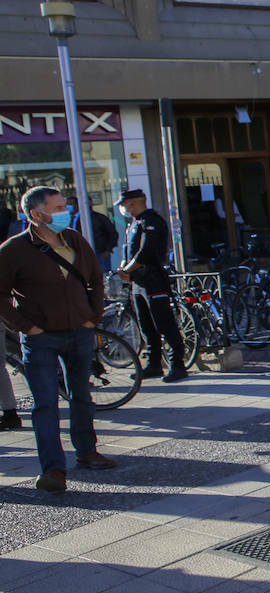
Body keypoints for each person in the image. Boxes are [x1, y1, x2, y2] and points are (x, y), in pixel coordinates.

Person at [0, 186, 113, 494]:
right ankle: (53, 469)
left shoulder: (74, 239)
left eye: (65, 205)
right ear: (37, 214)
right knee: (46, 404)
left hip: (79, 331)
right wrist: (26, 326)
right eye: (59, 207)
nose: (66, 211)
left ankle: (87, 451)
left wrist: (94, 316)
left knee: (81, 395)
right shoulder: (13, 250)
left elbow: (94, 279)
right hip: (41, 338)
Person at [116, 189, 188, 383]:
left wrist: (128, 270)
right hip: (139, 283)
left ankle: (177, 365)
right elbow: (129, 252)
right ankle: (154, 364)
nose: (123, 209)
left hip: (154, 281)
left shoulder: (152, 221)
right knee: (147, 326)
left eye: (124, 204)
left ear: (132, 203)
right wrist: (125, 270)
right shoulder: (134, 224)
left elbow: (146, 253)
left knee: (164, 324)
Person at [66, 196, 119, 273]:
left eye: (71, 203)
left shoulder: (97, 218)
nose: (69, 206)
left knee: (102, 276)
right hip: (80, 254)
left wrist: (108, 250)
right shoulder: (70, 219)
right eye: (67, 204)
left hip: (99, 253)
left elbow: (112, 233)